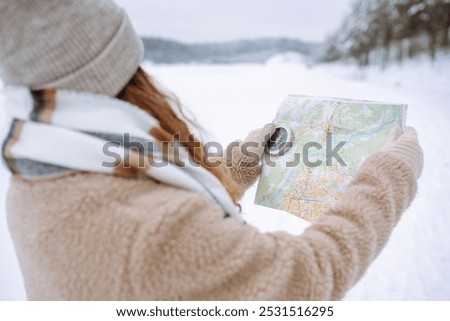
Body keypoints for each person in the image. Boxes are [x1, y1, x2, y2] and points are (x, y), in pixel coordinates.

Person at [0, 0, 423, 300]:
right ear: (115, 77)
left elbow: (142, 194)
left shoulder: (37, 172)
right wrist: (388, 176)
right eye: (135, 67)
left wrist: (237, 167)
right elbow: (304, 276)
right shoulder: (149, 233)